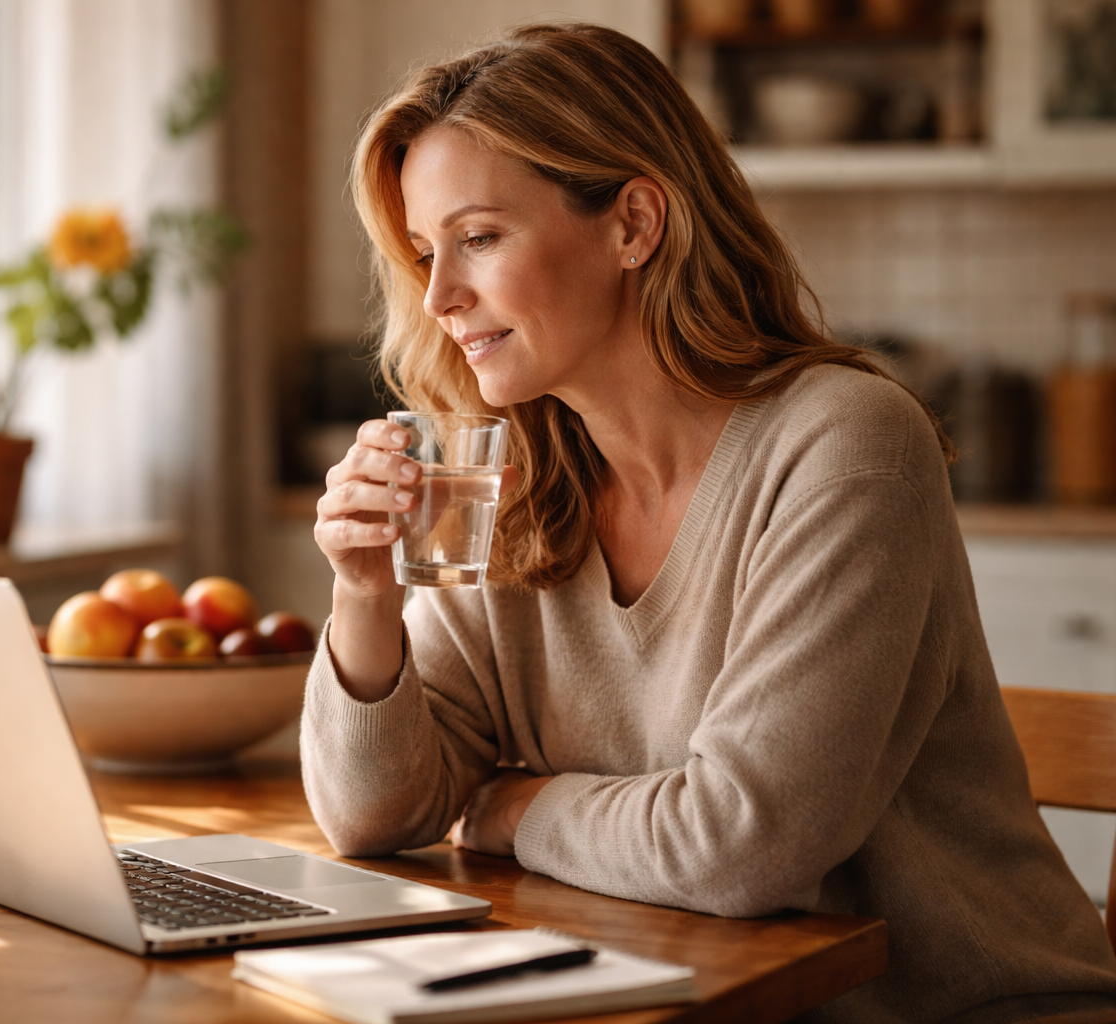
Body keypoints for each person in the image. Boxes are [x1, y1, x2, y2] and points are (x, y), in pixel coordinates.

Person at [304, 22, 1116, 1024]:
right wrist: (364, 594)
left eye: (478, 237)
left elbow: (740, 846)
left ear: (634, 222)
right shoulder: (502, 477)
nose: (438, 296)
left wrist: (514, 806)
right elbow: (371, 816)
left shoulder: (846, 445)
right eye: (426, 252)